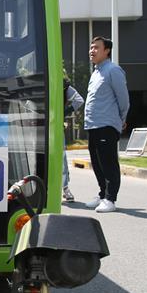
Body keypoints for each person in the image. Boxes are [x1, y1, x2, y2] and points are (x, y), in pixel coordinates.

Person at [83, 36, 129, 213]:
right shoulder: (96, 73)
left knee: (108, 163)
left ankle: (110, 199)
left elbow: (123, 99)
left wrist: (121, 118)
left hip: (107, 124)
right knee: (97, 163)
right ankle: (103, 194)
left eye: (96, 47)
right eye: (91, 47)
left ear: (107, 50)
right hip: (93, 125)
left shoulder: (113, 70)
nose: (92, 51)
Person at [62, 73, 84, 202]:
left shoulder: (64, 85)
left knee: (61, 158)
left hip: (57, 126)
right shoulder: (40, 81)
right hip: (41, 125)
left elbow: (79, 100)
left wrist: (65, 111)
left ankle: (65, 188)